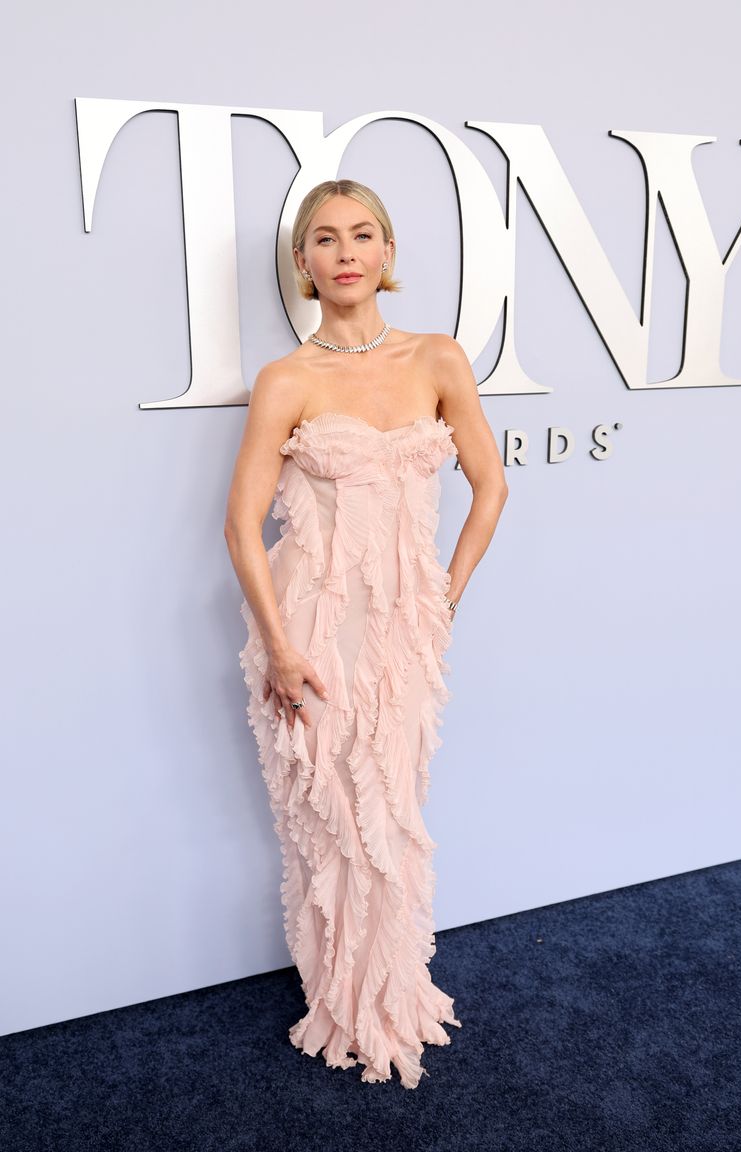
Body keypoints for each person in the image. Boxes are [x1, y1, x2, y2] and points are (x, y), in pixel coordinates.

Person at [224, 179, 508, 1088]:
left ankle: (394, 988)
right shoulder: (288, 380)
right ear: (304, 265)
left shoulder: (438, 358)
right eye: (324, 239)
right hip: (312, 626)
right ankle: (345, 1002)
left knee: (393, 803)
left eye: (362, 234)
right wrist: (278, 645)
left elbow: (490, 485)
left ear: (386, 253)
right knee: (332, 814)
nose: (344, 252)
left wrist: (444, 595)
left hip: (401, 631)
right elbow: (240, 526)